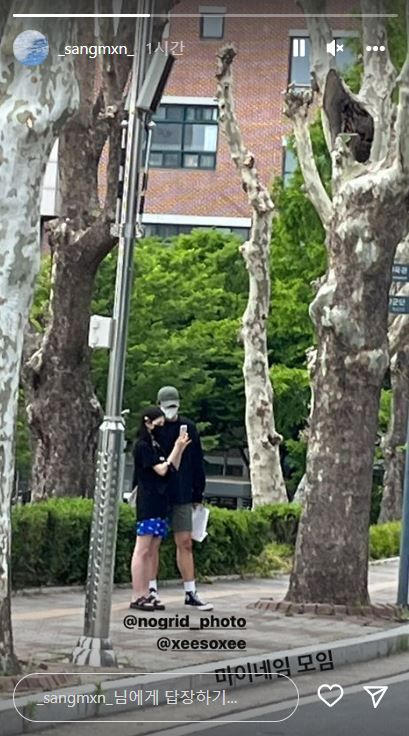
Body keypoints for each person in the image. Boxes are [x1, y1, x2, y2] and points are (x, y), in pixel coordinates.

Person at [149, 386, 214, 611]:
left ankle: (190, 591)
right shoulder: (153, 429)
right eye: (167, 406)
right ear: (158, 405)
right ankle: (151, 589)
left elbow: (197, 461)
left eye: (174, 405)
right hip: (157, 493)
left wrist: (198, 493)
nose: (171, 410)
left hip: (182, 491)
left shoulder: (189, 428)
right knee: (153, 542)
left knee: (185, 541)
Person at [130, 406, 191, 611]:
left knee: (152, 548)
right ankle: (138, 594)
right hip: (148, 502)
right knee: (142, 549)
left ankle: (148, 592)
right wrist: (175, 448)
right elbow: (161, 469)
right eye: (159, 424)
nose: (161, 428)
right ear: (148, 422)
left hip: (161, 501)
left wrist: (179, 448)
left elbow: (172, 467)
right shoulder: (143, 446)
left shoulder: (155, 445)